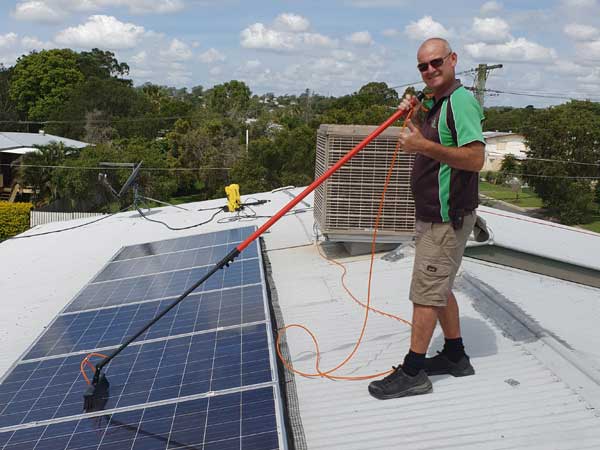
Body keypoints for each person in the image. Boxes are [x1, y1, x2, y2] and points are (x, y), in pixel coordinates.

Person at [368, 37, 485, 400]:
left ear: (452, 60)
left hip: (445, 221)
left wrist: (423, 147)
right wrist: (415, 111)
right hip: (434, 217)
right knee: (439, 289)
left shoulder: (461, 102)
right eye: (423, 66)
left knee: (425, 294)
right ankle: (455, 356)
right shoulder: (437, 102)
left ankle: (414, 371)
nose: (430, 70)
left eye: (436, 62)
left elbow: (475, 158)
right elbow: (428, 132)